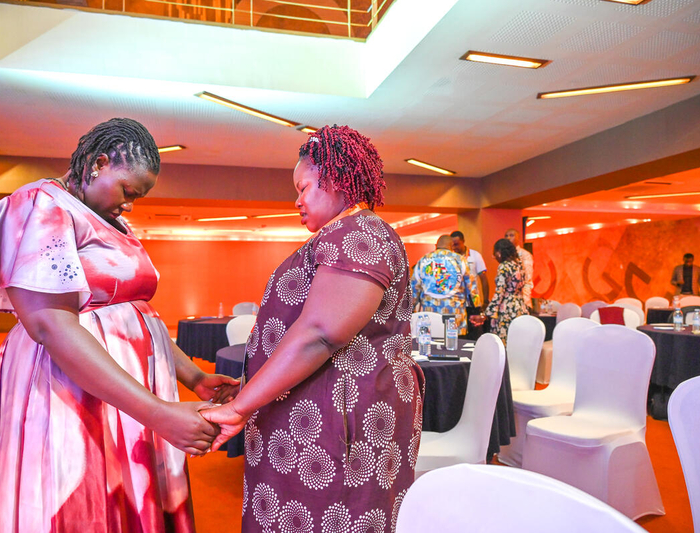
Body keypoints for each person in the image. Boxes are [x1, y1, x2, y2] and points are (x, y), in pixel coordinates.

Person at [0, 118, 239, 533]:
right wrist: (157, 413)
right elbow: (49, 322)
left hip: (124, 394)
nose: (130, 205)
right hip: (70, 388)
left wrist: (194, 376)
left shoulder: (110, 219)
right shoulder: (40, 204)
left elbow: (137, 315)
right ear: (99, 163)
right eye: (127, 191)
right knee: (80, 499)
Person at [201, 126, 424, 533]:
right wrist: (250, 387)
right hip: (320, 416)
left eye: (303, 188)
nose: (297, 200)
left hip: (338, 423)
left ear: (337, 180)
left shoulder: (358, 233)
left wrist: (239, 408)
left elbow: (321, 332)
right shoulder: (344, 233)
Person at [411, 234, 480, 336]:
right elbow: (472, 288)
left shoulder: (423, 260)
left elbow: (413, 289)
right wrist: (476, 310)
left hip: (429, 317)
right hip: (455, 317)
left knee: (429, 348)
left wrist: (410, 309)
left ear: (436, 245)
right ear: (451, 246)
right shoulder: (461, 260)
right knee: (454, 348)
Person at [470, 239, 528, 345]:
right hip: (520, 307)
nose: (493, 256)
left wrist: (485, 315)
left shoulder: (504, 267)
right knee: (517, 343)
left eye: (494, 253)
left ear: (499, 253)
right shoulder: (520, 265)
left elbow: (499, 293)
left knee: (504, 344)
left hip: (507, 310)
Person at [450, 230, 489, 305]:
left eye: (457, 244)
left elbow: (483, 278)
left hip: (473, 298)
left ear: (463, 241)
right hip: (456, 299)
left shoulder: (475, 255)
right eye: (452, 245)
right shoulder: (450, 258)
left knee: (473, 316)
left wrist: (485, 300)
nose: (454, 247)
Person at [504, 228, 534, 310]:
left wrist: (525, 300)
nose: (508, 238)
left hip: (521, 297)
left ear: (518, 238)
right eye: (506, 236)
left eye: (511, 235)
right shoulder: (505, 256)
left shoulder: (525, 255)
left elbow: (528, 278)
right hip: (507, 298)